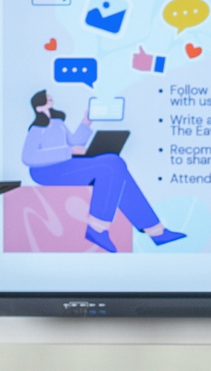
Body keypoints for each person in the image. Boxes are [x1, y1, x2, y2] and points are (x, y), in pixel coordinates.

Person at [21, 89, 185, 252]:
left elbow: (75, 142)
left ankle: (156, 231)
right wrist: (66, 152)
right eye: (47, 99)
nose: (50, 100)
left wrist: (86, 122)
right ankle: (98, 228)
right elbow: (29, 157)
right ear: (38, 106)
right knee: (112, 163)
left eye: (50, 98)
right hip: (46, 172)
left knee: (116, 165)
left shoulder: (58, 123)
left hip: (66, 165)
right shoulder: (36, 129)